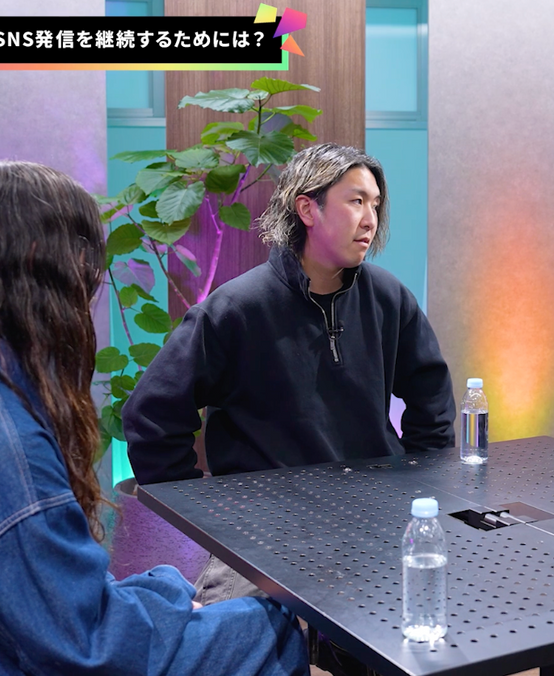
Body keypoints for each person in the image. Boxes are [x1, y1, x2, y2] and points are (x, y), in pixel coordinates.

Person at [0, 161, 308, 676]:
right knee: (267, 629)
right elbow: (89, 650)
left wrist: (164, 591)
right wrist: (216, 609)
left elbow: (45, 596)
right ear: (52, 265)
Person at [123, 143, 455, 675]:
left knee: (425, 649)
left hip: (371, 522)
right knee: (232, 656)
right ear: (308, 209)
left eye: (375, 204)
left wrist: (416, 485)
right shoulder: (235, 308)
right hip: (261, 531)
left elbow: (431, 400)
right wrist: (204, 511)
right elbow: (151, 416)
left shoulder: (389, 298)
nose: (371, 219)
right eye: (355, 201)